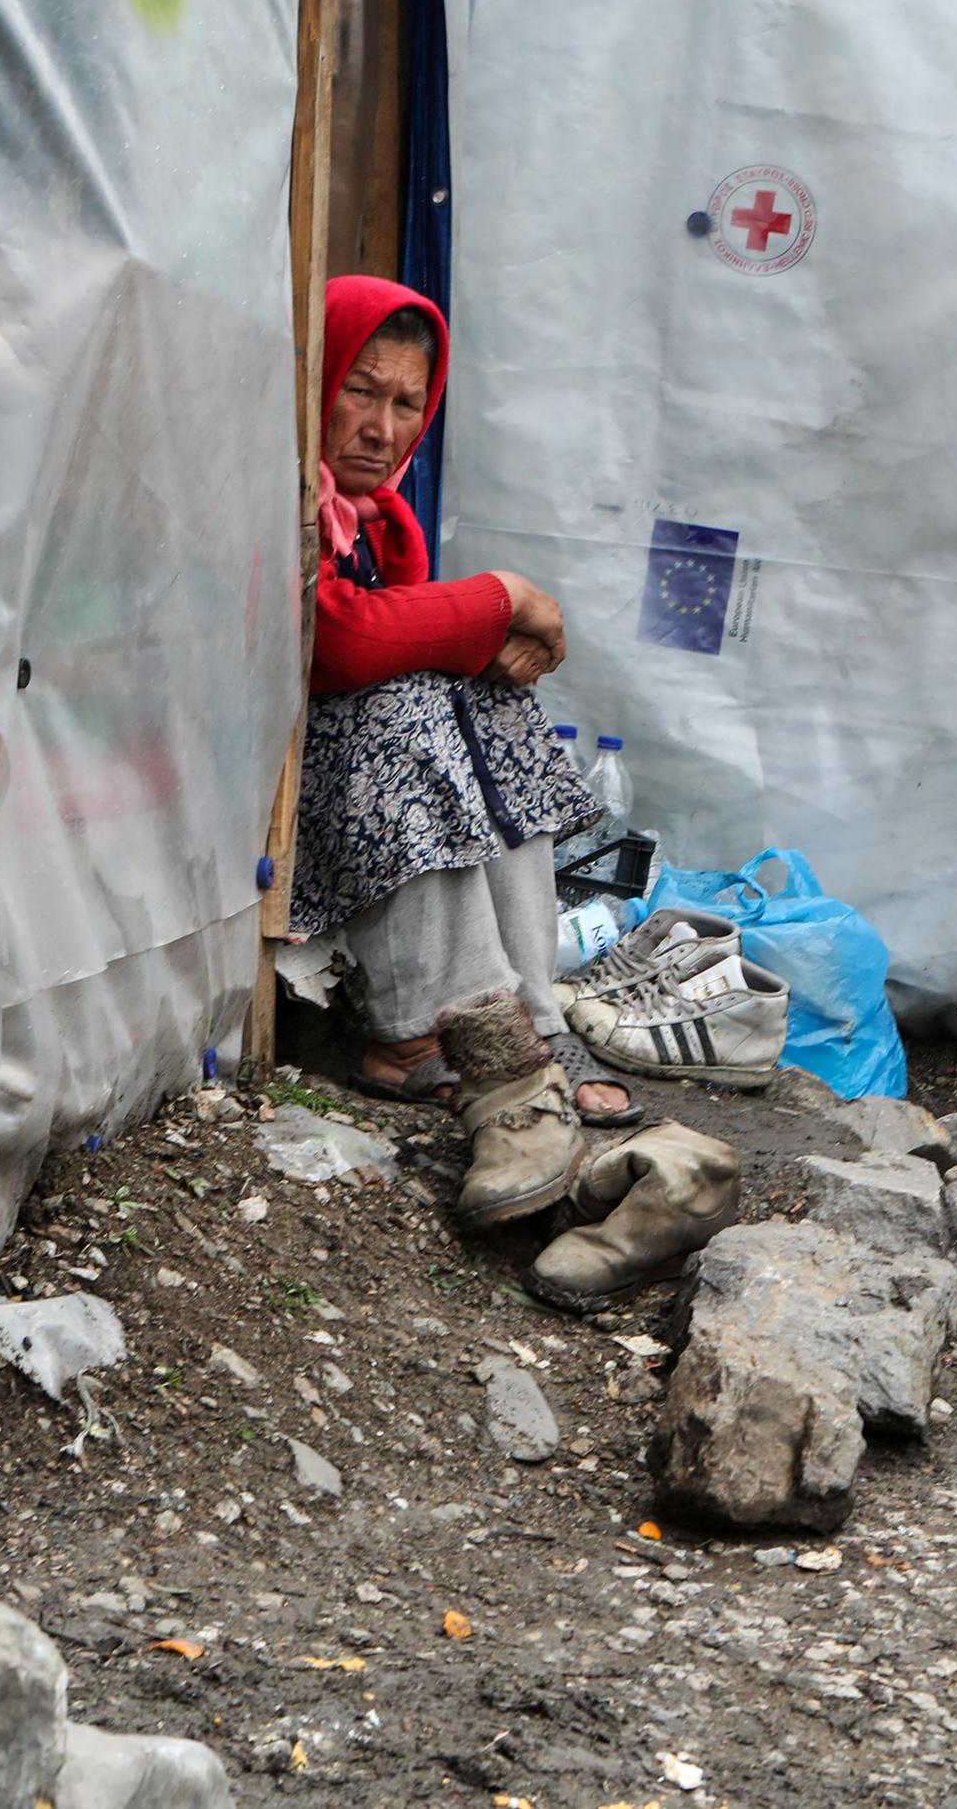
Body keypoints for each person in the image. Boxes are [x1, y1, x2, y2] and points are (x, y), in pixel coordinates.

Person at [286, 276, 637, 1231]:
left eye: (407, 403)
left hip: (333, 809)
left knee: (487, 700)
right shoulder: (273, 493)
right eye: (358, 389)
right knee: (398, 709)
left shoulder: (379, 522)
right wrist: (501, 597)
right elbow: (342, 644)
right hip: (247, 804)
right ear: (308, 380)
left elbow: (401, 633)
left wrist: (491, 638)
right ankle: (418, 1036)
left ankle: (525, 1016)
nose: (381, 426)